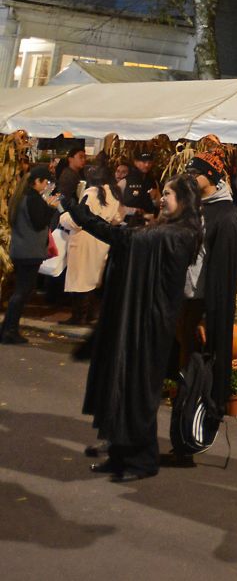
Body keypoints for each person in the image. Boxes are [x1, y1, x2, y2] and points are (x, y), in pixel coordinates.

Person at [68, 174, 205, 481]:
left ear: (185, 199)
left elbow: (125, 239)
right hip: (137, 317)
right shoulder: (165, 229)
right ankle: (118, 456)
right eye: (164, 192)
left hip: (152, 324)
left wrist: (83, 216)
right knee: (122, 383)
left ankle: (142, 461)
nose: (162, 198)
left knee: (139, 391)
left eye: (169, 193)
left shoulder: (179, 234)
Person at [183, 137, 237, 422]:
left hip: (205, 302)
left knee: (202, 362)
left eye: (195, 174)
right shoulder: (198, 207)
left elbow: (224, 273)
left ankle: (205, 409)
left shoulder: (226, 216)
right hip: (188, 297)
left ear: (210, 177)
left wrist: (209, 315)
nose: (190, 178)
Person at [2, 164, 60, 345]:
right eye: (45, 182)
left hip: (21, 250)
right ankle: (10, 330)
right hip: (29, 251)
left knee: (22, 290)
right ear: (37, 181)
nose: (46, 186)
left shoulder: (21, 197)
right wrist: (50, 208)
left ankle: (7, 328)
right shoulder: (33, 198)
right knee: (23, 291)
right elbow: (38, 222)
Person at [64, 162, 122, 324]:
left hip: (85, 238)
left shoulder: (91, 192)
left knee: (81, 279)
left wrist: (64, 217)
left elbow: (80, 218)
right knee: (95, 278)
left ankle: (79, 316)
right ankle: (92, 313)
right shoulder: (115, 193)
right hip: (103, 238)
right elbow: (118, 218)